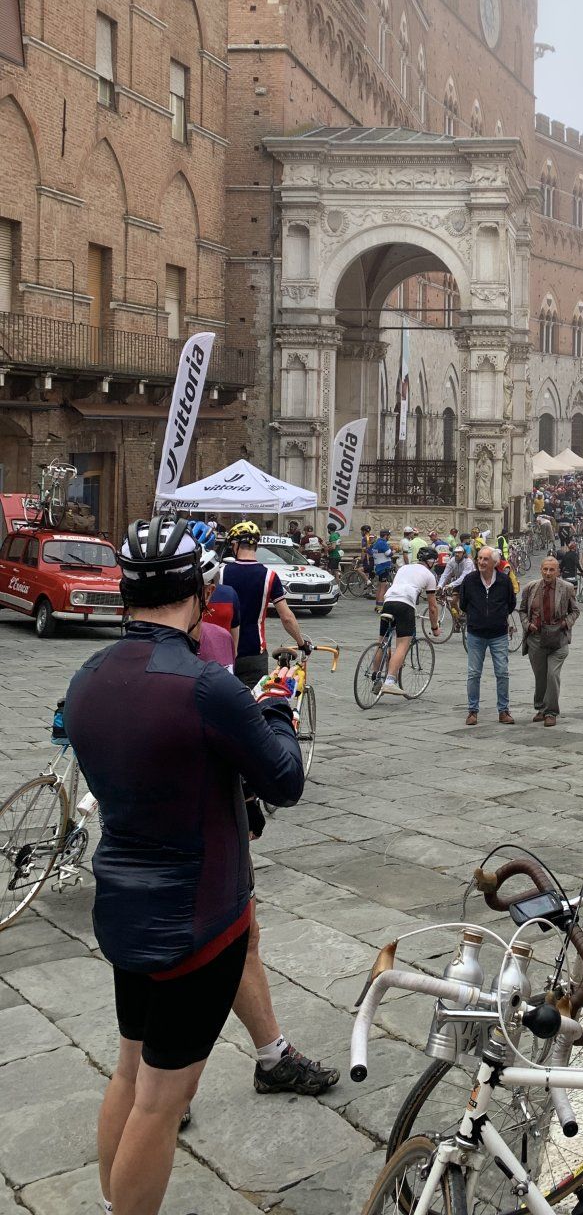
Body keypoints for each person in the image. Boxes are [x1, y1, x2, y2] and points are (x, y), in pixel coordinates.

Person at [61, 519, 314, 1215]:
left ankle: (113, 1201)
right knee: (161, 1100)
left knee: (129, 1072)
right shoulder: (205, 685)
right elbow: (285, 780)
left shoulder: (88, 677)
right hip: (200, 922)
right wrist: (279, 708)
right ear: (200, 594)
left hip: (123, 908)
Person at [219, 521, 308, 686]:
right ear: (256, 546)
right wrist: (301, 643)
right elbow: (287, 617)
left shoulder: (221, 574)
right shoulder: (269, 576)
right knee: (255, 700)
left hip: (225, 651)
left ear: (235, 545)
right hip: (254, 651)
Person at [459, 545, 517, 725]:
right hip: (476, 633)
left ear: (495, 562)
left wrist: (497, 616)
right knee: (473, 673)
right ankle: (472, 711)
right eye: (480, 558)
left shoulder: (504, 581)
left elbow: (511, 603)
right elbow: (463, 604)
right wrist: (477, 616)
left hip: (498, 634)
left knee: (502, 672)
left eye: (486, 559)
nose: (481, 562)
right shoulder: (470, 580)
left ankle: (504, 711)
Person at [519, 556, 579, 726]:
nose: (548, 573)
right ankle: (541, 708)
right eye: (545, 569)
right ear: (541, 570)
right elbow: (522, 610)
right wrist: (527, 625)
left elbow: (575, 611)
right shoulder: (531, 588)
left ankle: (551, 712)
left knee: (552, 675)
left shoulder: (566, 588)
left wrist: (565, 623)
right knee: (540, 676)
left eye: (552, 570)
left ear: (558, 571)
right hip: (536, 639)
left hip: (558, 639)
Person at [378, 546, 440, 694]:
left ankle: (376, 677)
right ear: (431, 561)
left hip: (388, 602)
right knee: (403, 645)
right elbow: (432, 607)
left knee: (382, 643)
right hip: (405, 605)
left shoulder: (403, 568)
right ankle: (390, 681)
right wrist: (435, 628)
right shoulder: (430, 576)